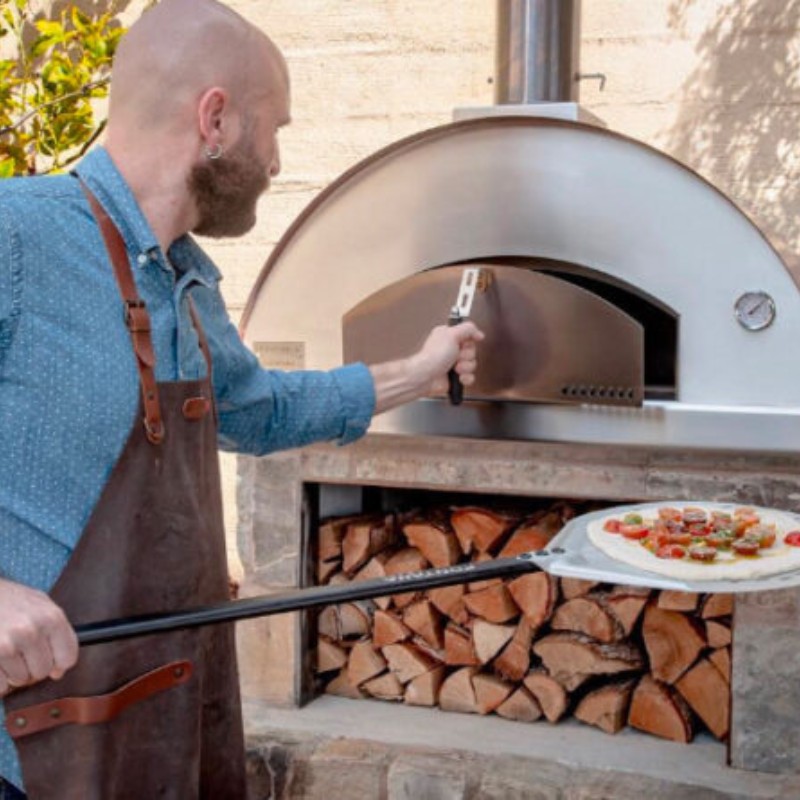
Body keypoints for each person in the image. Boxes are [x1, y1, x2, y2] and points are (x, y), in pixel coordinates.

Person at [0, 1, 482, 797]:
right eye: (275, 128)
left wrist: (420, 373)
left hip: (153, 733)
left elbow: (258, 409)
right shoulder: (17, 236)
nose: (278, 160)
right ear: (215, 119)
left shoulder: (186, 283)